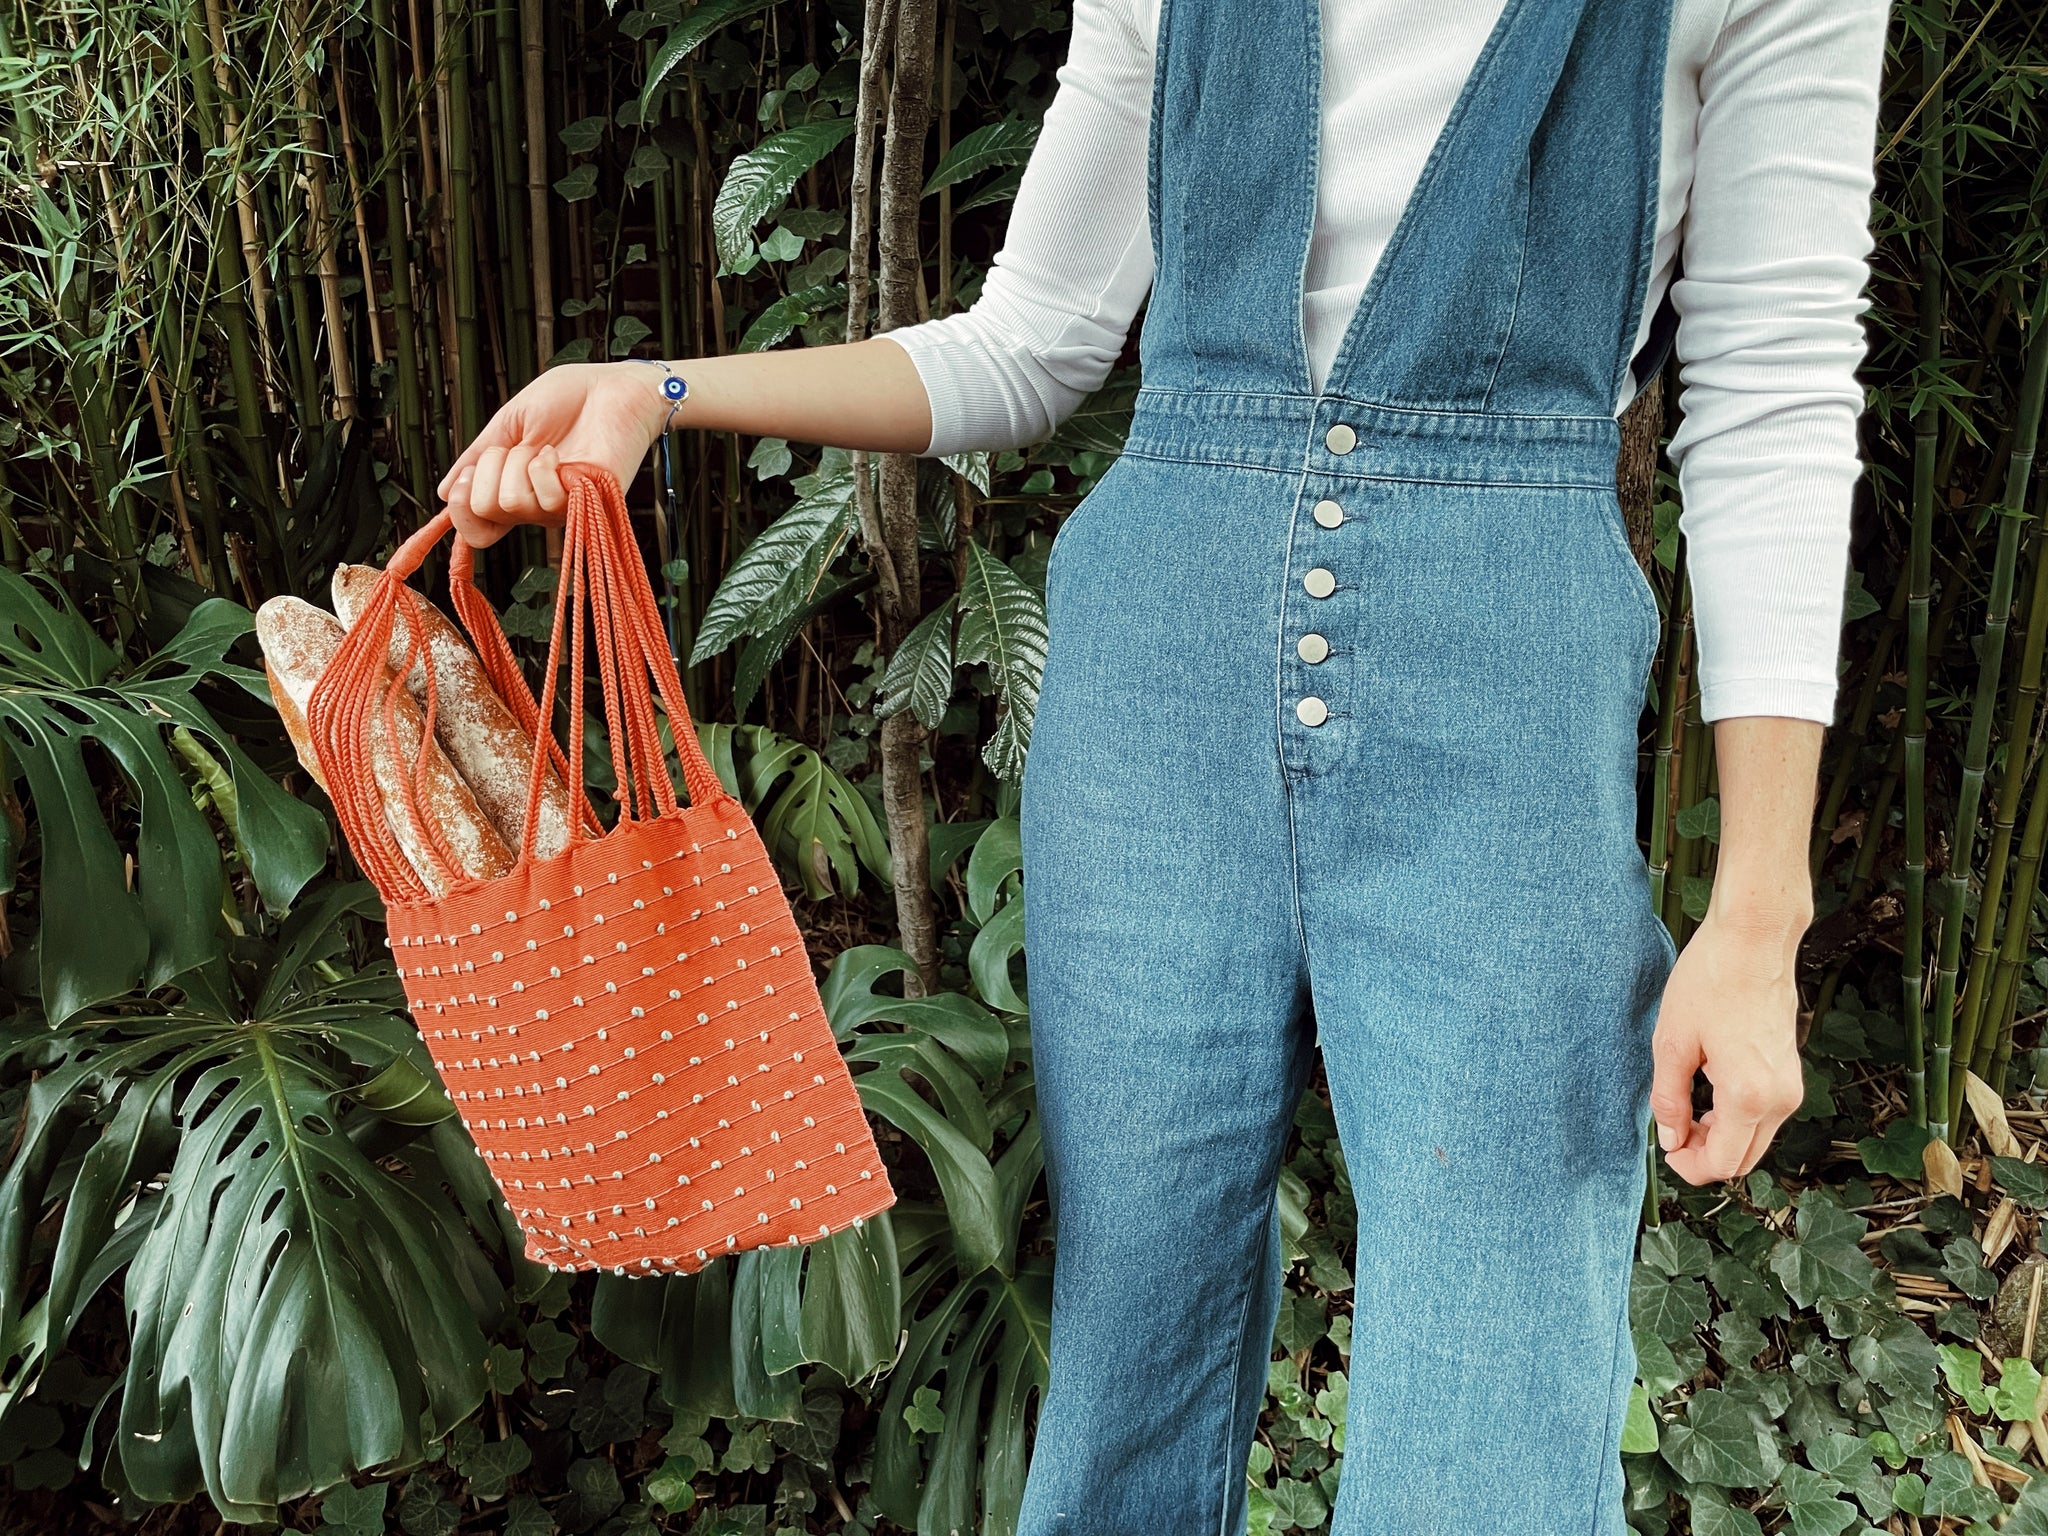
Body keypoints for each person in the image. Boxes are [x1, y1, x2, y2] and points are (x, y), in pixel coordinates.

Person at [437, 0, 1888, 1527]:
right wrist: (660, 389)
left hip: (1505, 712)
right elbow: (1030, 342)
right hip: (1147, 707)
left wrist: (1762, 909)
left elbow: (1779, 391)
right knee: (1131, 1353)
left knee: (1501, 1393)